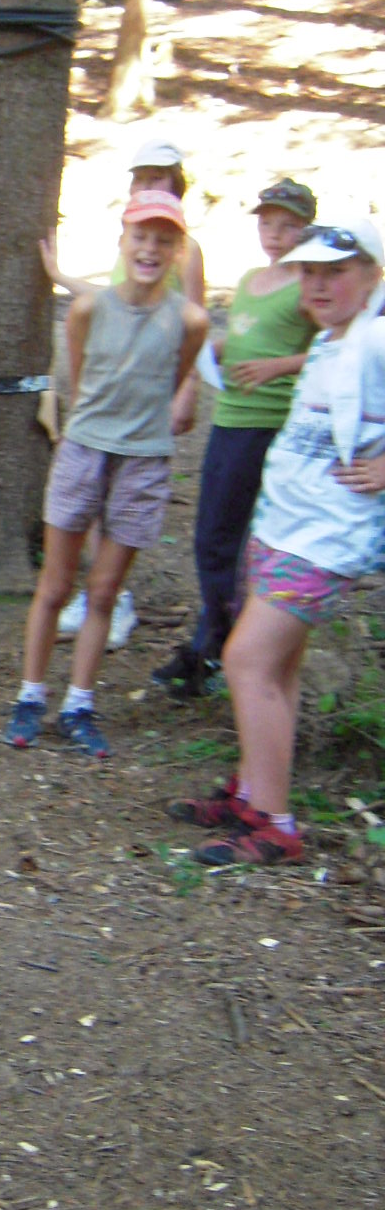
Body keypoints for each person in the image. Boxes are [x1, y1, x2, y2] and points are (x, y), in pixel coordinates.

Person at [171, 214, 385, 866]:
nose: (318, 286)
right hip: (283, 527)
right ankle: (252, 793)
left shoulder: (376, 339)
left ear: (372, 277)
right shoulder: (328, 343)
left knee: (245, 660)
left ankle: (275, 826)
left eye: (335, 273)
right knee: (277, 668)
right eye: (309, 272)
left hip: (324, 540)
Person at [6, 192, 208, 758]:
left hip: (143, 462)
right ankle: (29, 695)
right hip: (84, 452)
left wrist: (138, 428)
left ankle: (79, 704)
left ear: (178, 250)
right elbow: (80, 375)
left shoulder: (190, 320)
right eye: (141, 237)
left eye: (164, 240)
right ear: (122, 241)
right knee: (54, 586)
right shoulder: (89, 309)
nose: (150, 249)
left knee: (103, 591)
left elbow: (173, 377)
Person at [151, 178, 318, 700]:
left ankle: (217, 647)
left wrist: (278, 366)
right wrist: (215, 349)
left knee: (224, 537)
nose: (275, 233)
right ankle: (219, 638)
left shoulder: (309, 285)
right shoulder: (250, 280)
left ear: (307, 229)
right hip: (230, 416)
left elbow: (332, 347)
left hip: (268, 422)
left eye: (288, 225)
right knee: (213, 535)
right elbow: (248, 334)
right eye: (267, 223)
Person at [41, 137, 209, 653]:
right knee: (92, 499)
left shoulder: (183, 250)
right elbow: (112, 302)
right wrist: (58, 275)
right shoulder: (136, 243)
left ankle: (115, 600)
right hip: (107, 404)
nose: (148, 184)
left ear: (177, 182)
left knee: (126, 503)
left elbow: (191, 320)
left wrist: (186, 391)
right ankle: (99, 597)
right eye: (141, 177)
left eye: (158, 176)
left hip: (148, 401)